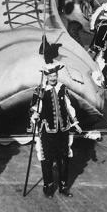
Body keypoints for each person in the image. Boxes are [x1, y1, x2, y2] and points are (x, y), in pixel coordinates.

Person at [30, 62, 81, 197]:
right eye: (51, 75)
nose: (53, 78)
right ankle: (48, 187)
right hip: (47, 130)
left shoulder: (62, 88)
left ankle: (63, 186)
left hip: (63, 129)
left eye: (55, 75)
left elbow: (68, 106)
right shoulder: (40, 90)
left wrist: (75, 121)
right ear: (46, 76)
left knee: (63, 158)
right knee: (47, 159)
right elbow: (34, 107)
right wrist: (34, 114)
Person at [88, 2, 107, 87]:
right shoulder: (106, 23)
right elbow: (101, 37)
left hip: (102, 48)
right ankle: (104, 83)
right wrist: (100, 49)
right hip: (103, 49)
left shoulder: (101, 20)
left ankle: (103, 82)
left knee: (100, 65)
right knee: (104, 65)